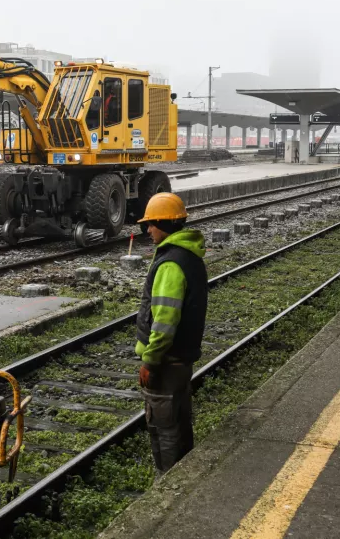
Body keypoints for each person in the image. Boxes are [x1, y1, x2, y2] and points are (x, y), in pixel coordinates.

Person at [135, 193, 208, 475]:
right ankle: (186, 474)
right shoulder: (189, 255)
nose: (149, 230)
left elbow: (164, 323)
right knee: (179, 420)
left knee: (162, 426)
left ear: (163, 223)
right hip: (182, 359)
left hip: (167, 361)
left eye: (151, 224)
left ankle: (168, 482)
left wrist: (149, 361)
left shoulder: (170, 264)